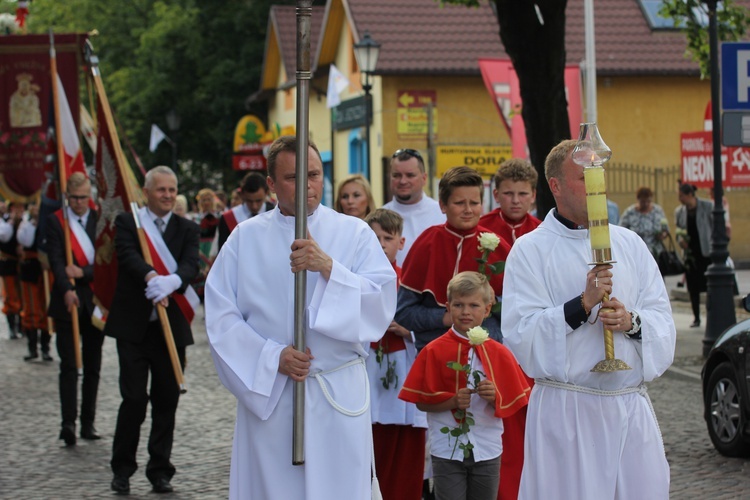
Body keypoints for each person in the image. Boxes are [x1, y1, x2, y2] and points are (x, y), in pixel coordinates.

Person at [204, 136, 397, 499]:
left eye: (314, 174)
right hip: (274, 393)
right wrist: (271, 357)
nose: (307, 186)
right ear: (272, 185)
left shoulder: (354, 233)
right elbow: (220, 317)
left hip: (336, 393)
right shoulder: (244, 239)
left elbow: (380, 304)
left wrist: (328, 268)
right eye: (293, 177)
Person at [502, 139, 676, 500]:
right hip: (569, 413)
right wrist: (581, 306)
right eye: (584, 178)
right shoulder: (531, 251)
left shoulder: (630, 244)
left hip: (630, 408)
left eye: (599, 176)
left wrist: (632, 322)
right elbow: (521, 333)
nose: (597, 186)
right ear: (556, 186)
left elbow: (662, 316)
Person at [107, 166, 200, 495]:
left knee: (167, 399)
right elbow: (127, 255)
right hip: (134, 327)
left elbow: (192, 263)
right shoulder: (128, 222)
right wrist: (151, 277)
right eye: (161, 190)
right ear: (146, 192)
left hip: (170, 329)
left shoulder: (187, 228)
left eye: (172, 190)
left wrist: (173, 281)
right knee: (133, 399)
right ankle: (122, 468)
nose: (168, 196)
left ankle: (160, 469)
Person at [400, 271, 530, 500]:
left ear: (487, 309)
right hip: (447, 449)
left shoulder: (500, 353)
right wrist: (451, 401)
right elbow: (421, 402)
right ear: (448, 307)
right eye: (459, 305)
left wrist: (495, 397)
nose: (466, 312)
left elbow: (513, 402)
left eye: (473, 305)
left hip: (487, 448)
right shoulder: (433, 350)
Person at [396, 166, 511, 350]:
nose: (468, 210)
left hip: (486, 353)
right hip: (436, 353)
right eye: (459, 203)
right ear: (443, 205)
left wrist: (494, 303)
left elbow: (519, 311)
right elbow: (403, 313)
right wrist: (444, 318)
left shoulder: (499, 246)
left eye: (474, 203)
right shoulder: (427, 244)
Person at [364, 208, 427, 500]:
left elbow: (420, 317)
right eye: (373, 238)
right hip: (369, 364)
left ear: (401, 243)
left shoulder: (410, 280)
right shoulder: (356, 279)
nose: (380, 244)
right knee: (372, 444)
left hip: (404, 363)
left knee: (406, 446)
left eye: (386, 238)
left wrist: (407, 329)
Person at [43, 173, 105, 445]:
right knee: (69, 365)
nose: (79, 203)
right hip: (66, 300)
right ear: (67, 197)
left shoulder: (99, 220)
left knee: (92, 365)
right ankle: (68, 422)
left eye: (84, 197)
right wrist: (66, 288)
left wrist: (83, 272)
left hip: (94, 299)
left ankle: (88, 422)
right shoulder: (56, 221)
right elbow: (56, 259)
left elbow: (106, 262)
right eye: (74, 198)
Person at [383, 148, 445, 265]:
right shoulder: (379, 217)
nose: (403, 181)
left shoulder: (442, 214)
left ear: (424, 178)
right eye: (396, 175)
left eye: (410, 175)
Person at [17, 204, 53, 362]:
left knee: (47, 309)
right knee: (31, 308)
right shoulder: (26, 224)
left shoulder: (50, 223)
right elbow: (25, 240)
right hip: (30, 270)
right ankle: (32, 348)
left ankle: (45, 347)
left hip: (46, 270)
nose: (36, 209)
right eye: (33, 206)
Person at [675, 182, 713, 328]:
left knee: (709, 287)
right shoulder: (680, 212)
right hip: (690, 255)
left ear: (690, 195)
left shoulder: (707, 207)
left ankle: (711, 315)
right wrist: (681, 241)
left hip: (705, 253)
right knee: (693, 288)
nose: (680, 199)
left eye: (681, 196)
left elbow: (714, 227)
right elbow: (679, 231)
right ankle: (696, 317)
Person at [479, 158, 541, 244]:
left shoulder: (541, 231)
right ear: (496, 195)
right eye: (508, 193)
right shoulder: (481, 227)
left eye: (522, 194)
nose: (515, 201)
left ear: (533, 196)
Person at [217, 172, 275, 251]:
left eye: (258, 201)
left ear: (266, 193)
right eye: (249, 201)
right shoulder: (228, 218)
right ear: (242, 195)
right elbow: (223, 253)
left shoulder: (276, 213)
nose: (254, 206)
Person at [620, 186, 668, 259]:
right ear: (637, 199)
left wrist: (663, 235)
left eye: (648, 201)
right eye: (643, 202)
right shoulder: (630, 213)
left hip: (656, 253)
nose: (646, 204)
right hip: (635, 252)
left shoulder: (658, 211)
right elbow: (621, 231)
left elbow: (665, 229)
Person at [0, 201, 23, 339]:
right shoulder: (5, 222)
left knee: (23, 297)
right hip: (8, 263)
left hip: (23, 264)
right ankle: (12, 326)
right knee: (10, 296)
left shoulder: (25, 222)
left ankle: (23, 325)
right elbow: (4, 236)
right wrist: (12, 221)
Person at [194, 188, 220, 300]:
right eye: (204, 200)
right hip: (201, 249)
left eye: (209, 199)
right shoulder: (196, 218)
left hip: (215, 247)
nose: (206, 202)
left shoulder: (220, 216)